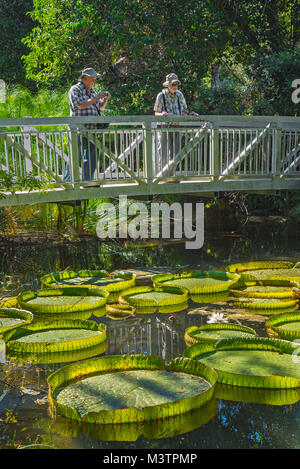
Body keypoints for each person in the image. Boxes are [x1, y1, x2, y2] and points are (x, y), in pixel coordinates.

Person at [65, 67, 111, 182]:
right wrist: (97, 98)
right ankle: (69, 182)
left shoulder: (92, 92)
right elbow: (79, 105)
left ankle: (87, 181)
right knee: (76, 156)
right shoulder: (75, 89)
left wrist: (104, 99)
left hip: (92, 130)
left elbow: (100, 107)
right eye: (92, 79)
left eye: (95, 79)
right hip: (79, 129)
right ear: (84, 78)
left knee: (92, 158)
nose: (94, 82)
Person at [154, 73, 198, 176]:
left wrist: (190, 113)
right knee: (163, 152)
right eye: (173, 84)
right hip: (164, 127)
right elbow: (156, 113)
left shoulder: (179, 95)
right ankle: (162, 176)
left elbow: (184, 111)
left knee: (176, 153)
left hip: (177, 127)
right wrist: (162, 114)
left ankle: (171, 175)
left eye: (176, 84)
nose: (175, 86)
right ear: (168, 85)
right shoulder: (161, 95)